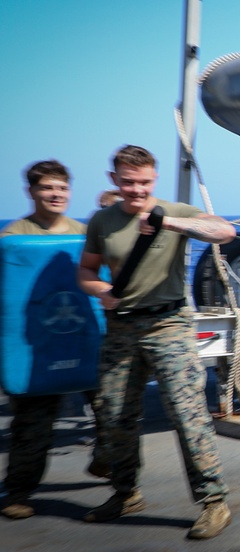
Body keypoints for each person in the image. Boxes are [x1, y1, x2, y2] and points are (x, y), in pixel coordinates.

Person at [77, 145, 236, 539]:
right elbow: (86, 270)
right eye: (128, 182)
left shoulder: (175, 211)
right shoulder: (102, 220)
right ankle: (125, 493)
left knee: (187, 414)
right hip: (121, 327)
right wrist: (101, 291)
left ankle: (214, 503)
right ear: (114, 179)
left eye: (144, 182)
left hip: (169, 325)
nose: (136, 190)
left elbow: (225, 231)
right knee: (114, 415)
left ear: (155, 179)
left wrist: (171, 225)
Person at [1, 160, 109, 520]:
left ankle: (107, 463)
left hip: (86, 338)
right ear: (31, 191)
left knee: (113, 409)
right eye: (47, 188)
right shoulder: (12, 239)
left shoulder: (86, 234)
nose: (55, 194)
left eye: (61, 188)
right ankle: (18, 492)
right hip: (37, 346)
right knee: (33, 423)